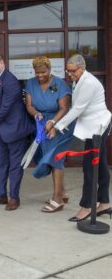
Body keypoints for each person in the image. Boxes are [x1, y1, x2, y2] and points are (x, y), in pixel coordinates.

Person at [51, 54, 112, 221]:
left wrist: (57, 126)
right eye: (68, 71)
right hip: (93, 125)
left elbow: (77, 109)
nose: (70, 74)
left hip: (98, 127)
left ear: (82, 67)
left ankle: (86, 207)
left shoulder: (89, 83)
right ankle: (105, 203)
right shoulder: (79, 80)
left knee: (90, 167)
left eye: (72, 71)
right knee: (100, 165)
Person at [0, 51, 35, 211]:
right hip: (0, 131)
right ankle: (0, 195)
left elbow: (4, 109)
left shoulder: (11, 81)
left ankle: (14, 198)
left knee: (15, 166)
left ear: (1, 62)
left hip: (15, 130)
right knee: (0, 163)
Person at [25, 56, 73, 212]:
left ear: (50, 69)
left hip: (58, 124)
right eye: (37, 72)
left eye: (43, 72)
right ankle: (62, 191)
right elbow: (29, 105)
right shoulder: (31, 83)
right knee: (49, 158)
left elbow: (64, 109)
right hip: (41, 125)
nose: (39, 76)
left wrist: (53, 123)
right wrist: (36, 114)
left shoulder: (60, 84)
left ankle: (57, 198)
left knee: (55, 159)